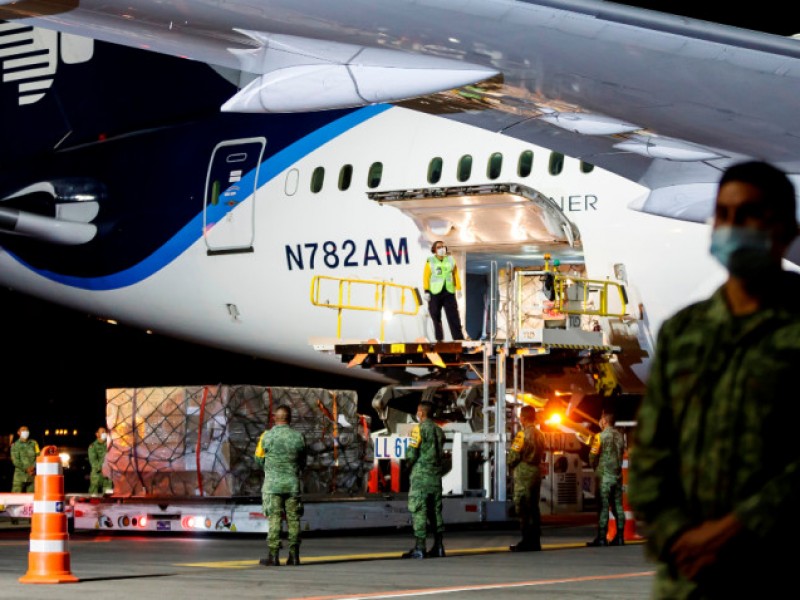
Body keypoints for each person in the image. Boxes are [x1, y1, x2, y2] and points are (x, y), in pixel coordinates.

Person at [627, 160, 800, 599]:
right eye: (723, 215)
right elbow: (651, 453)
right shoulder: (685, 332)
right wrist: (675, 538)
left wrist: (730, 532)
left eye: (748, 215)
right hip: (689, 578)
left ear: (786, 229)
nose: (732, 227)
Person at [254, 405, 307, 566]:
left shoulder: (267, 436)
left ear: (274, 419)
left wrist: (270, 468)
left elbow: (258, 459)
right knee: (294, 519)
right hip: (292, 484)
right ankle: (294, 556)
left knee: (275, 519)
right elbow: (303, 462)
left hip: (272, 485)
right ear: (289, 419)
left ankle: (274, 556)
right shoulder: (298, 437)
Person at [402, 401, 446, 559]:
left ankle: (420, 548)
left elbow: (412, 454)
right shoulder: (439, 431)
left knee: (419, 510)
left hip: (421, 477)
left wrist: (407, 466)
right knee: (435, 511)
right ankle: (439, 546)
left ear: (421, 413)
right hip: (435, 477)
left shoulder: (418, 430)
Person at [507, 405, 546, 552]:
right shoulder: (541, 434)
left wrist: (510, 463)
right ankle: (535, 541)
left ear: (523, 418)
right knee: (534, 507)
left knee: (523, 507)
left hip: (524, 473)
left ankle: (526, 541)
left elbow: (513, 456)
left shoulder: (522, 435)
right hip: (536, 471)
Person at [586, 412, 625, 547]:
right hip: (617, 476)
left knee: (603, 507)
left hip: (604, 477)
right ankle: (620, 537)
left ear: (605, 421)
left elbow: (592, 456)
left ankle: (602, 538)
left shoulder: (600, 436)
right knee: (618, 507)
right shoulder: (621, 437)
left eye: (601, 419)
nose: (600, 421)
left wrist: (595, 467)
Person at [423, 240, 467, 341]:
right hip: (434, 292)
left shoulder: (451, 260)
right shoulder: (430, 261)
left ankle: (458, 338)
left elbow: (455, 274)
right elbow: (426, 276)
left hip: (448, 291)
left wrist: (458, 288)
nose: (442, 249)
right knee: (435, 315)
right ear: (434, 250)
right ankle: (439, 338)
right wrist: (426, 291)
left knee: (453, 316)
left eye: (443, 247)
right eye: (439, 247)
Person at [11, 426, 39, 492]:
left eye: (27, 430)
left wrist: (34, 467)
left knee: (32, 498)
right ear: (18, 433)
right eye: (23, 430)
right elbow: (15, 460)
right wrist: (26, 469)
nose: (25, 432)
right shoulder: (15, 445)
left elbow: (39, 456)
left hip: (32, 476)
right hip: (19, 476)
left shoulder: (34, 443)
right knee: (15, 498)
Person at [88, 427, 113, 495]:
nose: (104, 434)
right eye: (102, 432)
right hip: (97, 473)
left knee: (108, 494)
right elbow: (93, 461)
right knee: (93, 495)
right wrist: (102, 468)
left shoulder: (110, 445)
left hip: (107, 474)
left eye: (105, 432)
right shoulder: (93, 446)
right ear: (97, 434)